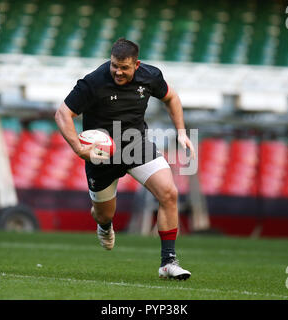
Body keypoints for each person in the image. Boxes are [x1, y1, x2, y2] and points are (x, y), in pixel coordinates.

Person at [55, 38, 196, 280]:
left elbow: (171, 97)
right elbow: (62, 114)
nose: (118, 72)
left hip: (136, 145)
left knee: (169, 193)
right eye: (114, 66)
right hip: (102, 155)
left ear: (136, 64)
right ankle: (104, 226)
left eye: (124, 67)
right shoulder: (93, 82)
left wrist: (182, 132)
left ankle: (168, 263)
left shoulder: (150, 76)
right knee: (104, 214)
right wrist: (80, 149)